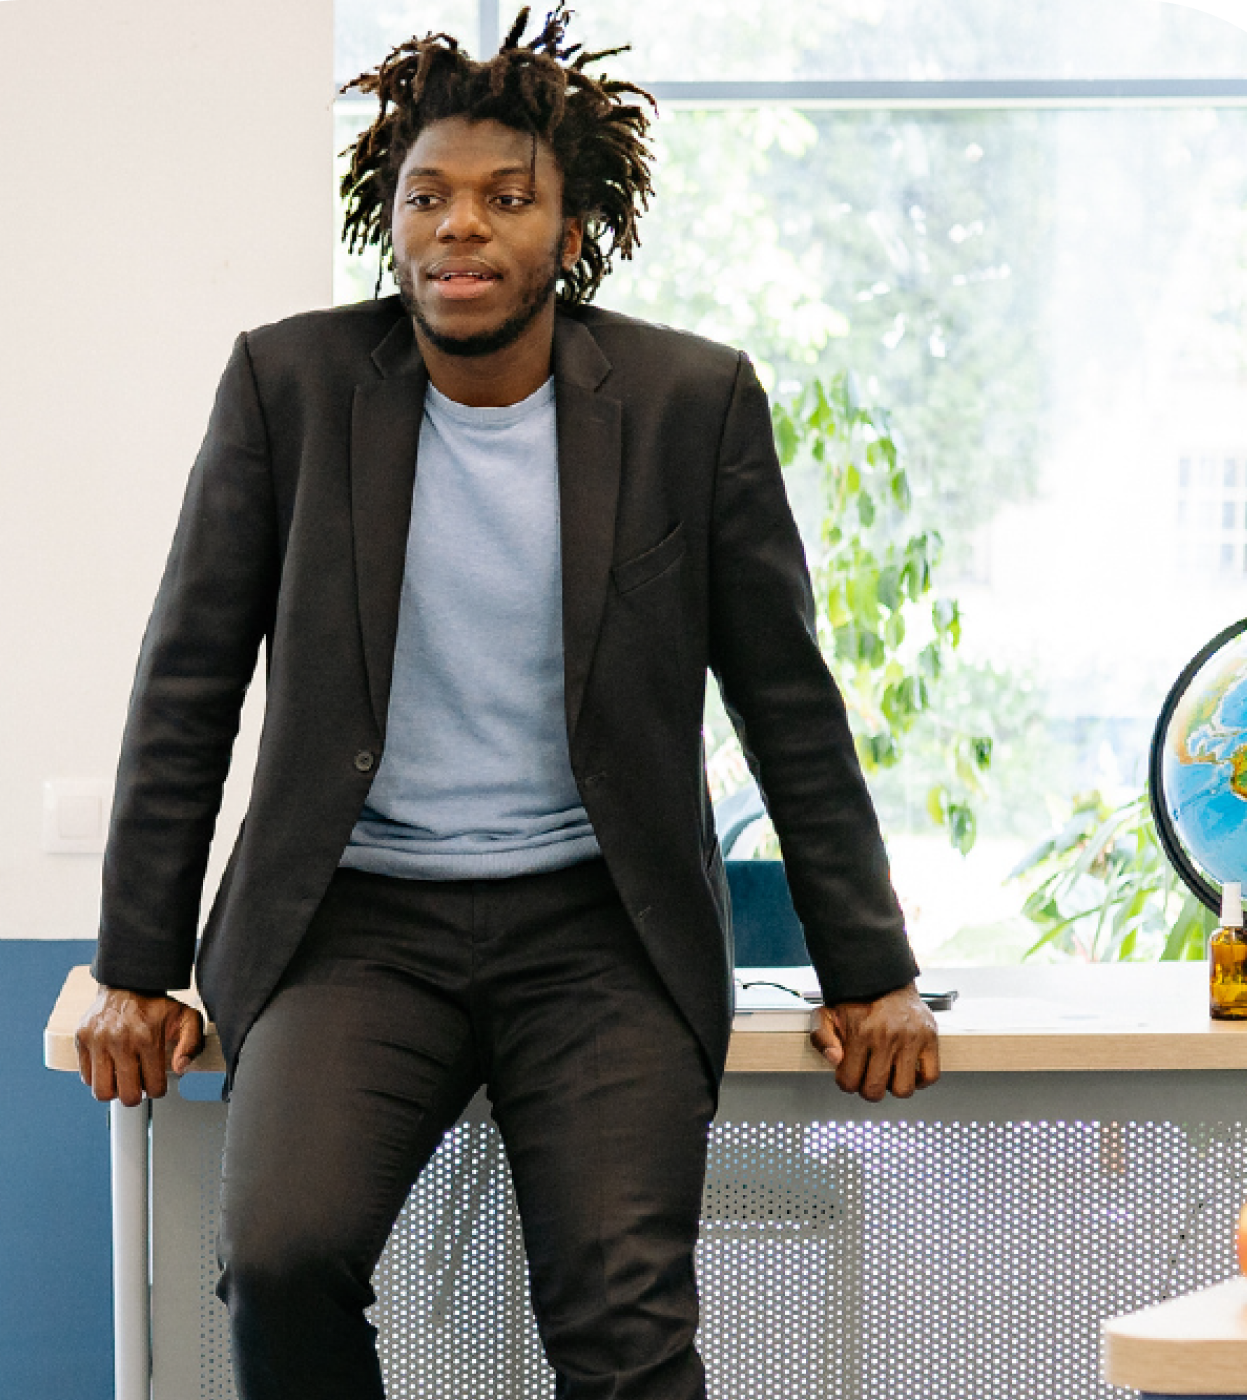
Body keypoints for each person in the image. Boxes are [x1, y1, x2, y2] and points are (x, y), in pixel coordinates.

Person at [75, 8, 939, 1397]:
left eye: (504, 198)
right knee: (283, 1260)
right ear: (391, 222)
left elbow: (787, 699)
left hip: (600, 928)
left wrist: (871, 969)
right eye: (427, 197)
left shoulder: (689, 403)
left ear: (572, 230)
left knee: (620, 1314)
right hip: (355, 922)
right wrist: (138, 964)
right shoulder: (289, 389)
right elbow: (188, 681)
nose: (459, 227)